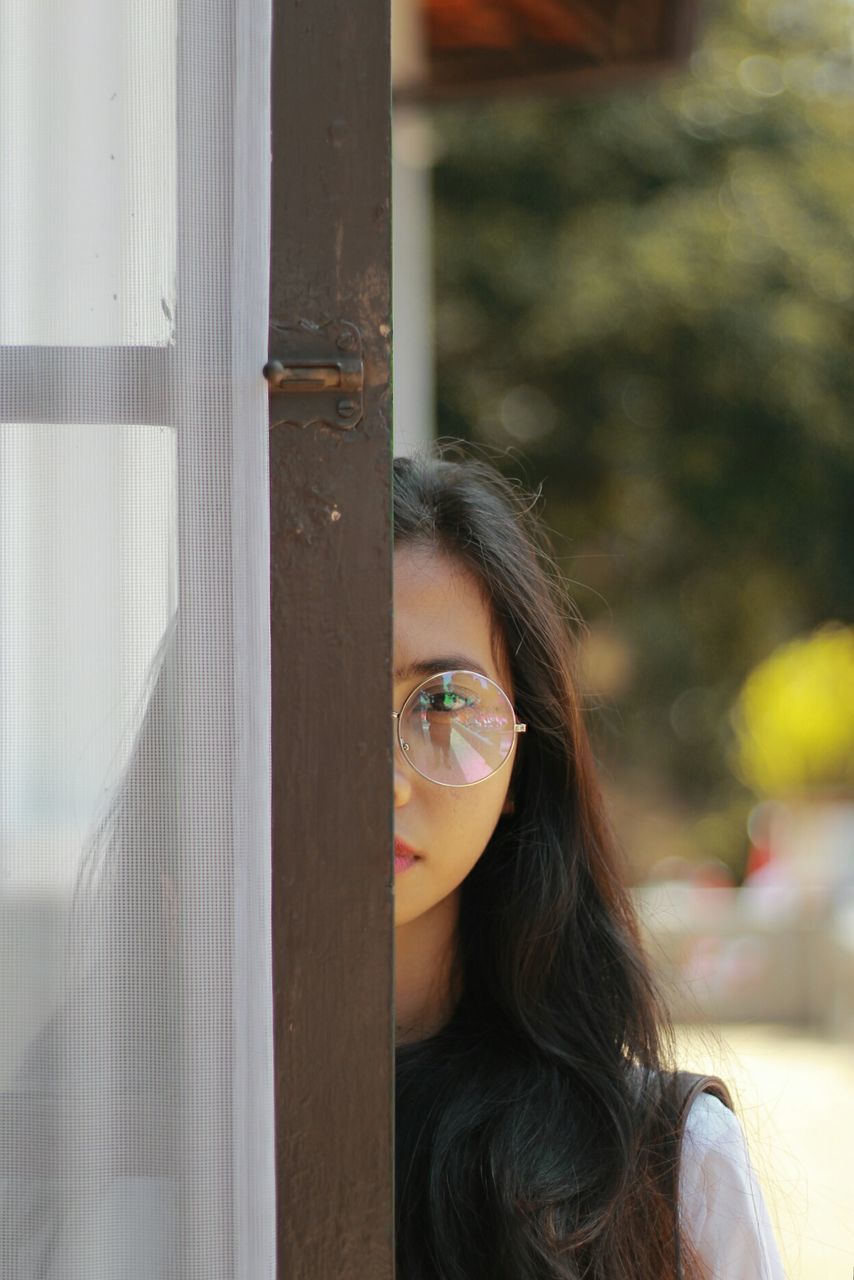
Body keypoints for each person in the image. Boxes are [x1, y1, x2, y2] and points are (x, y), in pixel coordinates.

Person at [392, 450, 785, 1280]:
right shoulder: (102, 1144)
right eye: (312, 700)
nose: (380, 780)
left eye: (446, 703)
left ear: (520, 769)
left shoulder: (666, 1170)